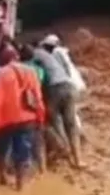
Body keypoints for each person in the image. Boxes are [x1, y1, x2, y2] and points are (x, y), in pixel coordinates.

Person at [0, 45, 45, 190]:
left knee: (3, 149)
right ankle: (20, 184)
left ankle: (3, 177)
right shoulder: (31, 71)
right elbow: (38, 96)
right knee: (23, 151)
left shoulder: (1, 73)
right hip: (27, 118)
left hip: (6, 119)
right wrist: (40, 117)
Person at [33, 36, 82, 168]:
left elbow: (36, 75)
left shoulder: (36, 54)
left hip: (56, 89)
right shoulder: (54, 57)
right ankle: (78, 160)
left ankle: (64, 151)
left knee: (54, 121)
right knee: (71, 124)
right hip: (69, 87)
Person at [40, 33, 87, 138]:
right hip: (75, 84)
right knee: (72, 110)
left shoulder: (56, 53)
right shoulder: (63, 53)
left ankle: (74, 134)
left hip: (68, 84)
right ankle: (78, 132)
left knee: (63, 112)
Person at [18, 43, 49, 173]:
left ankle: (26, 169)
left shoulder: (20, 70)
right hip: (38, 105)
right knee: (39, 139)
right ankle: (43, 168)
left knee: (24, 140)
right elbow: (45, 85)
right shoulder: (40, 70)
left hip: (24, 108)